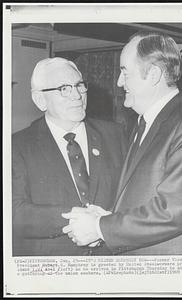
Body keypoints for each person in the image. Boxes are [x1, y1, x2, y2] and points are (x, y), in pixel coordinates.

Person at [62, 32, 182, 255]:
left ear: (153, 75)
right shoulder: (143, 123)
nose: (118, 81)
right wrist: (108, 218)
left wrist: (100, 228)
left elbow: (174, 210)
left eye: (125, 72)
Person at [12, 57, 126, 256]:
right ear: (40, 100)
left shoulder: (116, 135)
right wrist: (76, 219)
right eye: (64, 88)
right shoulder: (17, 146)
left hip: (110, 262)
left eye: (79, 85)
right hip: (50, 271)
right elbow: (13, 212)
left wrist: (105, 227)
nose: (77, 95)